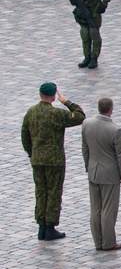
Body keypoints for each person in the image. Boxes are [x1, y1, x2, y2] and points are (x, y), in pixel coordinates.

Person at [21, 82, 86, 241]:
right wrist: (66, 102)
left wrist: (30, 153)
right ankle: (50, 227)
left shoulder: (31, 112)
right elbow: (80, 116)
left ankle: (41, 227)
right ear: (53, 96)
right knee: (54, 192)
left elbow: (24, 135)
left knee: (41, 191)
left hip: (37, 160)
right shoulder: (56, 113)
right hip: (54, 161)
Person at [81, 97, 121, 251]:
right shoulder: (115, 130)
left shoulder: (87, 123)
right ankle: (108, 243)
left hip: (93, 172)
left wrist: (89, 166)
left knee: (95, 209)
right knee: (108, 209)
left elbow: (85, 149)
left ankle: (98, 242)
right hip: (109, 175)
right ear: (111, 109)